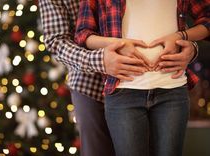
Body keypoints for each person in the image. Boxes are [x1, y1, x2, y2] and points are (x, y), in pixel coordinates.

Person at [39, 0, 202, 155]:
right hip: (89, 82)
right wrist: (101, 60)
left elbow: (165, 18)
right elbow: (56, 41)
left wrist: (190, 47)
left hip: (156, 82)